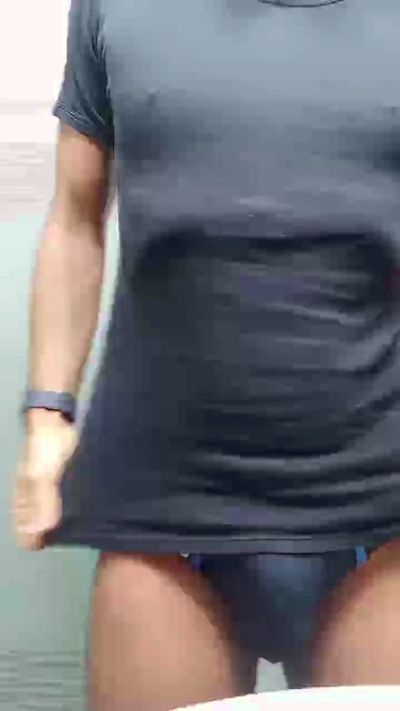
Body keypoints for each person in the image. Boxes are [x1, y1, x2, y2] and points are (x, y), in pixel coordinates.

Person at [12, 0, 400, 708]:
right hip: (161, 496)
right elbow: (74, 220)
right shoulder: (115, 8)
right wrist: (47, 418)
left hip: (380, 498)